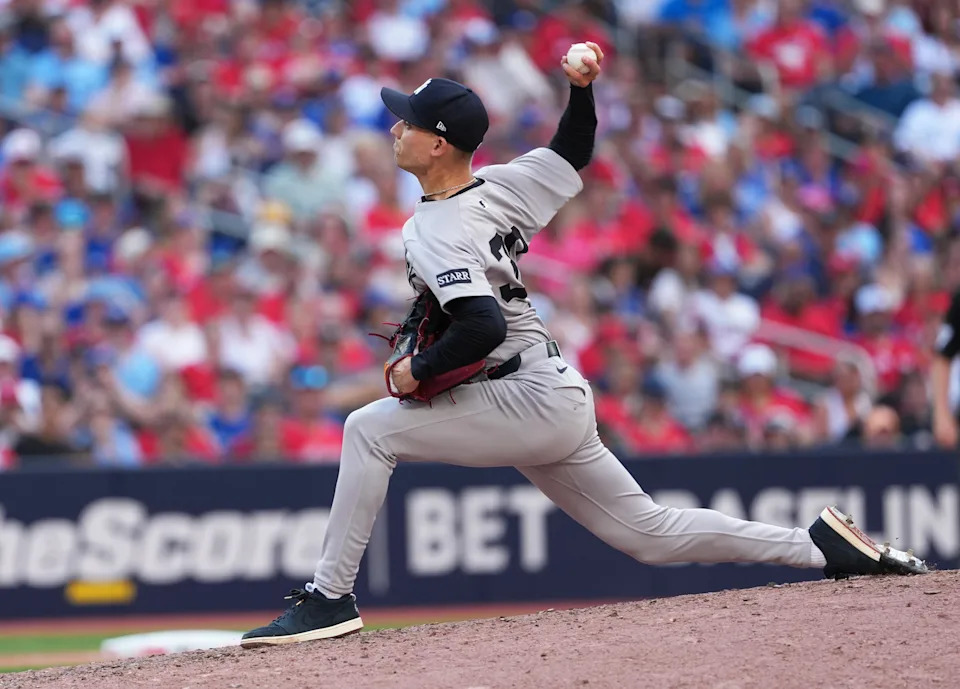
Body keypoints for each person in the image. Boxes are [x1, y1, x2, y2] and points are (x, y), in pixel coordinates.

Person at [241, 42, 927, 649]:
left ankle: (330, 598)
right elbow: (572, 150)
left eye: (409, 122)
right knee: (648, 532)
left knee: (368, 429)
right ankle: (818, 548)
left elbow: (478, 326)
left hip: (524, 392)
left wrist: (412, 369)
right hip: (547, 388)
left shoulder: (438, 228)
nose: (397, 127)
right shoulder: (499, 186)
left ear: (439, 144)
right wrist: (582, 90)